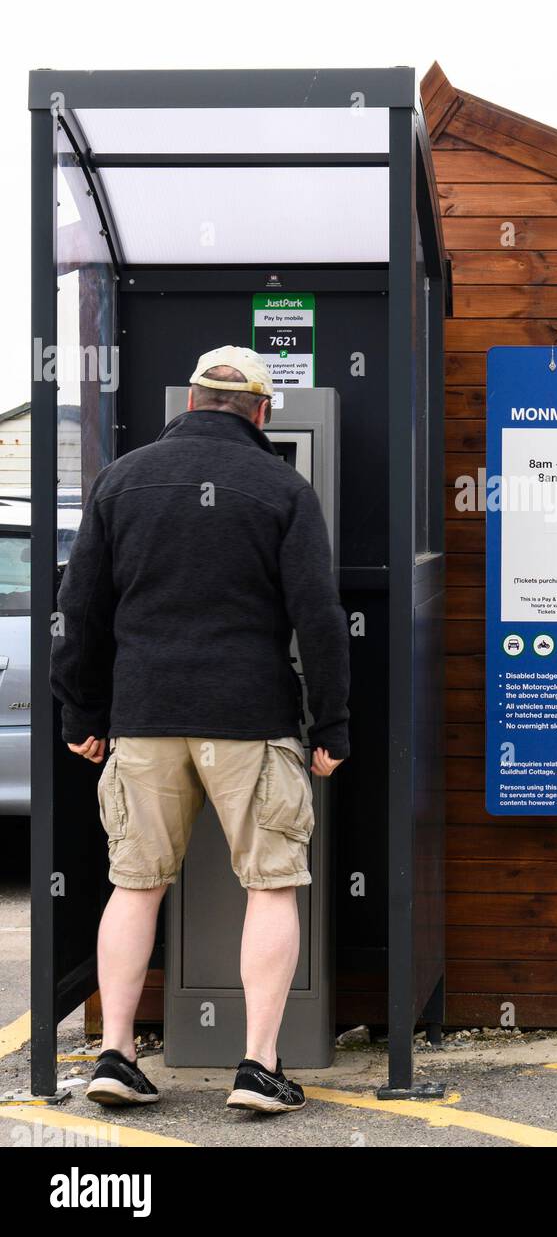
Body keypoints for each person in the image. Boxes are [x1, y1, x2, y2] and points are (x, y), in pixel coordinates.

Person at [50, 345, 350, 1114]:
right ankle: (257, 1067)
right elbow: (319, 618)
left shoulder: (121, 480)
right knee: (272, 884)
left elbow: (79, 609)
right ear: (261, 411)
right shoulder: (283, 486)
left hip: (143, 715)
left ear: (188, 402)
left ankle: (115, 1053)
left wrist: (80, 713)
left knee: (135, 882)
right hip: (249, 718)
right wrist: (331, 725)